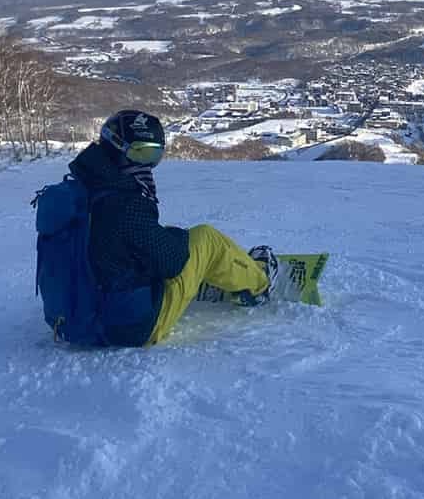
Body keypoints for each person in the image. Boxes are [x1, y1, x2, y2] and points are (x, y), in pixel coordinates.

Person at [68, 110, 277, 346]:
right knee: (206, 239)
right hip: (131, 327)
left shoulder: (85, 186)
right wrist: (178, 238)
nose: (147, 164)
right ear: (117, 147)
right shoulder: (125, 202)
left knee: (160, 237)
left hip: (81, 312)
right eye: (141, 152)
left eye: (154, 154)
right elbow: (172, 262)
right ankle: (258, 284)